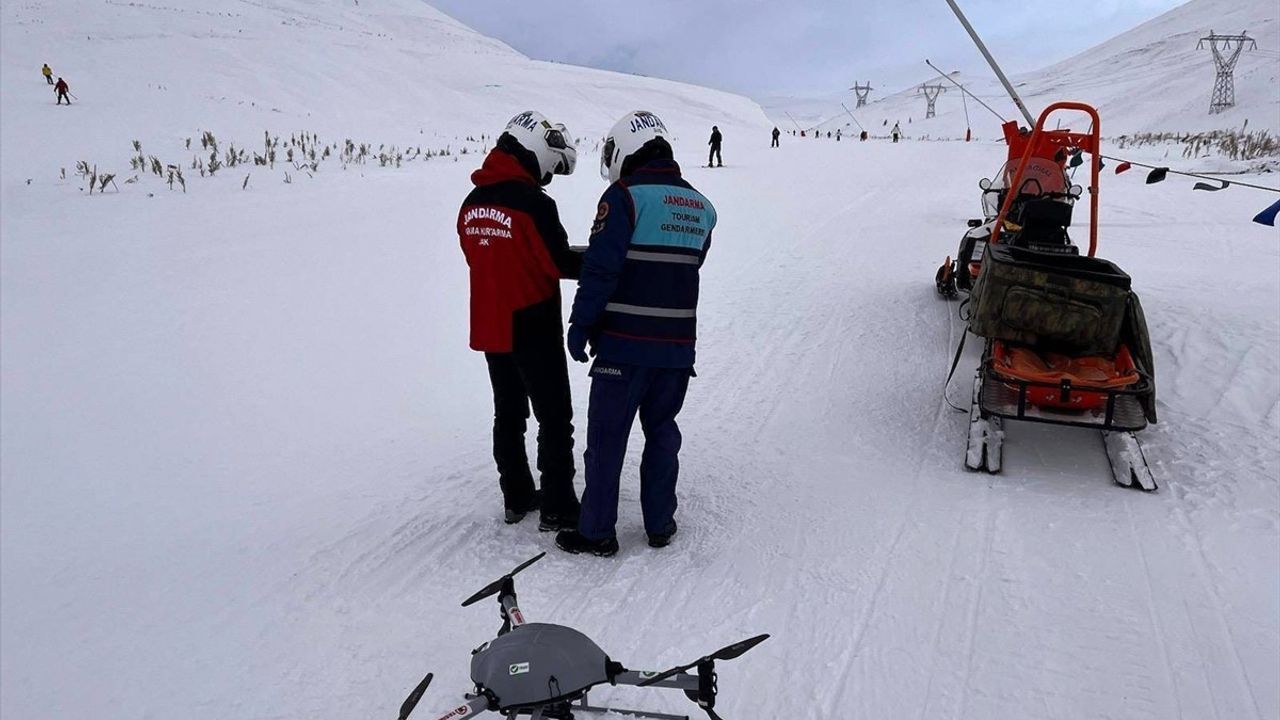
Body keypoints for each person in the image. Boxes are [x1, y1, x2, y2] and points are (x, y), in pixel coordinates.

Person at [556, 110, 717, 558]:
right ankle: (660, 524)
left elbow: (601, 270)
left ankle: (596, 532)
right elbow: (690, 265)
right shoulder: (703, 207)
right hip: (678, 350)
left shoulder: (624, 197)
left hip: (623, 348)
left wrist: (580, 323)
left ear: (626, 146)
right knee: (662, 433)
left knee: (607, 441)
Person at [457, 110, 584, 531]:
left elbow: (477, 258)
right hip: (532, 319)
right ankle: (559, 507)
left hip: (491, 322)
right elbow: (559, 262)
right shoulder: (534, 204)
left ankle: (515, 497)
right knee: (553, 416)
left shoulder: (470, 204)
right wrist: (601, 257)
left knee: (508, 414)